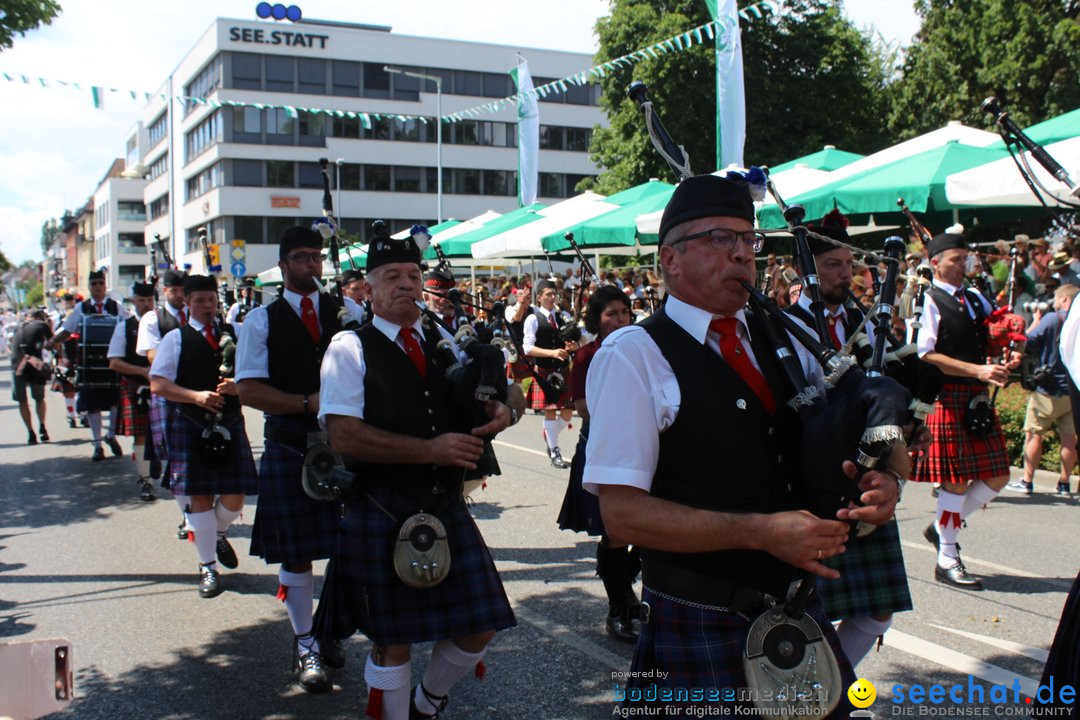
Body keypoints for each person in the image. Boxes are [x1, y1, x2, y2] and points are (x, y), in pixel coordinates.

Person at [584, 175, 899, 713]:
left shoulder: (779, 336)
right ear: (671, 261)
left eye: (748, 241)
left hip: (797, 608)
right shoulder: (632, 355)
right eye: (719, 239)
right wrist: (762, 533)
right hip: (701, 616)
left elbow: (864, 421)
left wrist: (888, 478)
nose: (742, 255)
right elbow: (622, 517)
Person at [313, 229, 520, 719]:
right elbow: (343, 435)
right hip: (381, 505)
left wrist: (503, 411)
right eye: (392, 277)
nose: (406, 284)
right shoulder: (349, 347)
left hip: (444, 503)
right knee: (394, 640)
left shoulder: (442, 338)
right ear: (368, 288)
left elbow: (506, 392)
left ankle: (427, 703)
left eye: (413, 275)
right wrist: (429, 448)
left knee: (480, 627)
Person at [782, 213, 913, 668]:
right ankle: (808, 693)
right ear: (805, 271)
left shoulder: (867, 321)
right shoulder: (783, 328)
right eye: (833, 264)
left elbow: (900, 382)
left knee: (878, 607)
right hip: (814, 477)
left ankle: (831, 689)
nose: (846, 273)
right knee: (802, 605)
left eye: (848, 262)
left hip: (870, 468)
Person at [236, 227, 360, 692]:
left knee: (349, 546)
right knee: (297, 552)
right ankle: (306, 641)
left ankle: (328, 626)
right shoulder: (260, 321)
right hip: (291, 442)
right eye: (302, 257)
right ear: (284, 264)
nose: (312, 265)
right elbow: (249, 389)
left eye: (317, 257)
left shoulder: (347, 312)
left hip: (348, 444)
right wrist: (310, 403)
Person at [915, 232, 1021, 590]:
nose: (964, 266)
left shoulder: (975, 297)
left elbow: (992, 333)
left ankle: (943, 525)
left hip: (975, 399)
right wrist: (977, 370)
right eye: (956, 260)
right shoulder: (927, 300)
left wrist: (1009, 346)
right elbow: (925, 354)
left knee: (999, 476)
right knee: (955, 482)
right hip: (948, 397)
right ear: (936, 264)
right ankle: (947, 556)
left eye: (966, 259)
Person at [149, 274, 258, 598]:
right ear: (188, 303)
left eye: (211, 300)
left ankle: (218, 533)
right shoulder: (175, 339)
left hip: (230, 423)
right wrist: (195, 396)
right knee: (199, 498)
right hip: (192, 424)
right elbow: (158, 384)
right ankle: (208, 566)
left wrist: (239, 386)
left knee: (235, 497)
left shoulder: (236, 333)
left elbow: (257, 372)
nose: (207, 306)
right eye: (200, 301)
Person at [556, 286, 639, 642]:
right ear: (597, 318)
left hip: (642, 448)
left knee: (650, 530)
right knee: (616, 533)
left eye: (624, 312)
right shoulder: (588, 355)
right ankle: (619, 607)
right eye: (611, 314)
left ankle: (628, 598)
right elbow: (582, 406)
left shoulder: (642, 349)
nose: (619, 319)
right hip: (604, 449)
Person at [1006, 284, 1078, 495]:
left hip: (1048, 388)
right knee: (1069, 438)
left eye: (1055, 299)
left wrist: (1036, 321)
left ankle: (1027, 480)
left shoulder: (1052, 319)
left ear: (1065, 299)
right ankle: (1065, 483)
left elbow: (1025, 342)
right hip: (1073, 388)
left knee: (1034, 434)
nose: (1053, 303)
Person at [51, 270, 127, 461]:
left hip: (112, 363)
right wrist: (52, 342)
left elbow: (129, 327)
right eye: (94, 283)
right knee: (92, 405)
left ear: (105, 285)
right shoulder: (81, 308)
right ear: (89, 286)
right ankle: (97, 445)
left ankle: (110, 435)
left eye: (101, 283)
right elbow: (67, 330)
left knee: (116, 401)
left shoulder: (116, 307)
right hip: (90, 363)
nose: (98, 287)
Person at [138, 269, 188, 538]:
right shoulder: (152, 318)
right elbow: (153, 357)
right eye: (174, 291)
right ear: (164, 291)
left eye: (182, 291)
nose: (179, 296)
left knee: (189, 456)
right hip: (168, 392)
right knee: (176, 456)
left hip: (194, 390)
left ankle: (189, 513)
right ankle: (187, 514)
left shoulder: (195, 313)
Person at [107, 281, 157, 501]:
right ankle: (145, 480)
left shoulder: (163, 323)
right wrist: (142, 371)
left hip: (164, 386)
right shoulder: (124, 327)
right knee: (141, 434)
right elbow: (114, 362)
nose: (145, 304)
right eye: (141, 301)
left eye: (149, 300)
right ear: (134, 301)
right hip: (135, 386)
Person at [522, 279, 577, 468]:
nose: (553, 298)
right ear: (539, 297)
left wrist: (571, 347)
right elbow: (527, 348)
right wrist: (551, 353)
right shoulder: (533, 318)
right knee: (551, 411)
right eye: (548, 294)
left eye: (554, 294)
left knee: (568, 412)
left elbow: (572, 344)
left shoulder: (563, 317)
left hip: (563, 369)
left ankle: (549, 434)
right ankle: (555, 451)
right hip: (545, 370)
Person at [11, 309, 53, 445]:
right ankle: (42, 426)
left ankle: (30, 432)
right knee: (39, 398)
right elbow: (54, 343)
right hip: (33, 365)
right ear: (41, 318)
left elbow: (11, 343)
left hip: (17, 365)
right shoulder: (42, 325)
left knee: (22, 400)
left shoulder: (19, 326)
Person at [51, 293, 80, 428]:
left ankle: (80, 414)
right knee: (70, 391)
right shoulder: (59, 320)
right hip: (67, 359)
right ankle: (71, 416)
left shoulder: (81, 318)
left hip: (78, 359)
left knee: (80, 390)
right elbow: (55, 342)